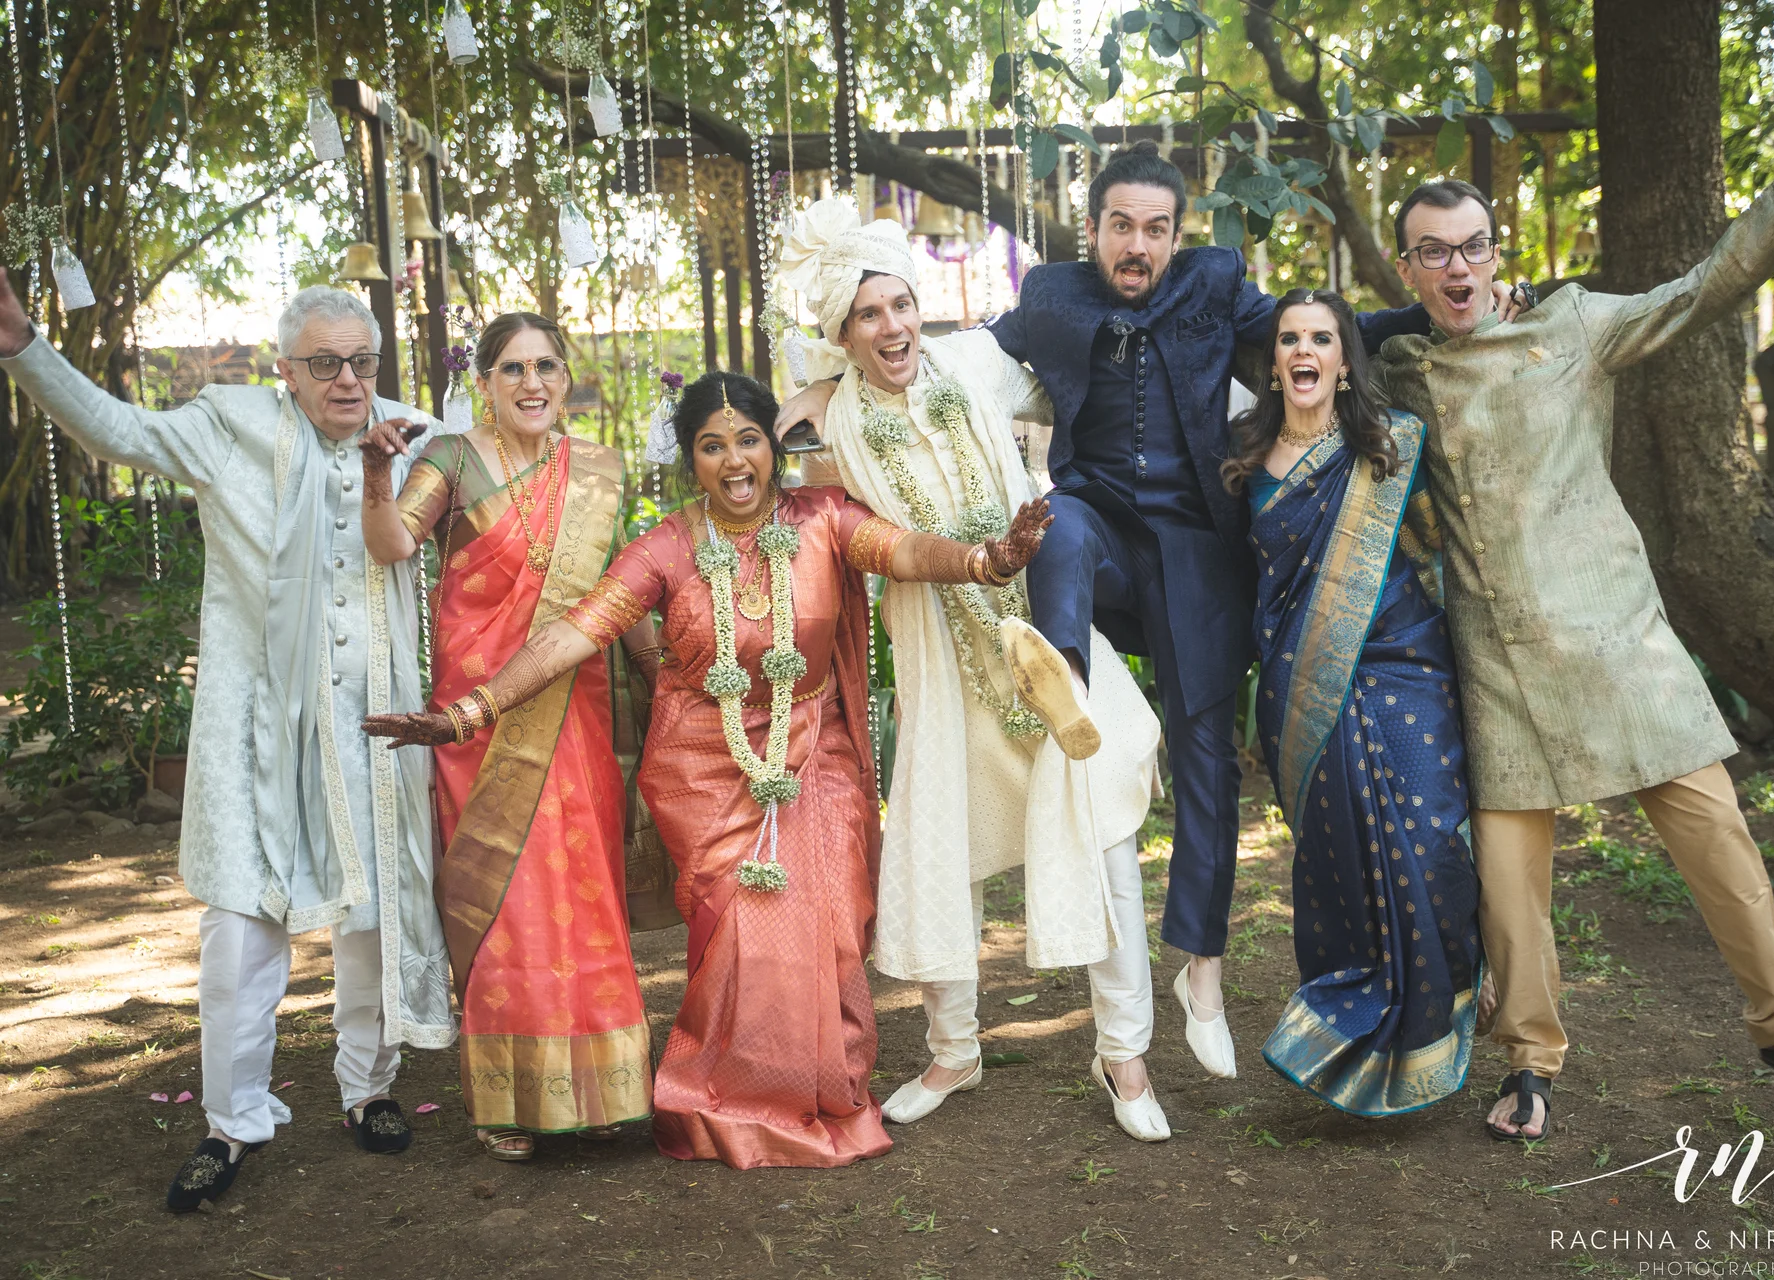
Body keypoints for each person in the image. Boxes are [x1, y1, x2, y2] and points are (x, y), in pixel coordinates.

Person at [1370, 72, 1774, 1141]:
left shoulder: (1577, 330)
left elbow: (1707, 284)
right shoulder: (1402, 368)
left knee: (1721, 841)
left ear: (1496, 251)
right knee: (1510, 889)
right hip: (1501, 657)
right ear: (1408, 266)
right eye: (1434, 250)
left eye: (1473, 246)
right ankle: (1529, 1060)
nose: (1457, 266)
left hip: (1620, 643)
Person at [367, 371, 1055, 1169]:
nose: (734, 462)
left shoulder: (823, 518)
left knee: (827, 925)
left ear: (775, 445)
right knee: (743, 938)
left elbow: (902, 551)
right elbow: (577, 633)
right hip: (703, 765)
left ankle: (821, 1086)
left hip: (814, 752)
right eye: (711, 446)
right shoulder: (666, 545)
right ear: (689, 460)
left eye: (748, 440)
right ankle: (729, 1098)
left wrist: (989, 559)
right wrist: (467, 713)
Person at [951, 142, 1529, 1076]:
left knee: (1208, 754)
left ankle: (1203, 974)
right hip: (1098, 518)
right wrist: (821, 385)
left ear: (1177, 237)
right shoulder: (1050, 296)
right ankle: (1060, 675)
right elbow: (956, 359)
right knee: (1053, 519)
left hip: (1192, 541)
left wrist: (1439, 307)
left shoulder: (1215, 281)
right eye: (1121, 227)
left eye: (1156, 229)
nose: (1138, 245)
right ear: (1091, 227)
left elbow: (1326, 324)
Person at [0, 277, 452, 1209]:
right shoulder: (228, 424)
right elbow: (117, 430)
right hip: (252, 727)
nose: (346, 380)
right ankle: (232, 1121)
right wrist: (23, 347)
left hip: (374, 719)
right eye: (323, 363)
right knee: (240, 928)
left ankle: (369, 1089)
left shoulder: (416, 437)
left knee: (374, 911)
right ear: (285, 369)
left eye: (361, 361)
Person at [772, 198, 1168, 1141]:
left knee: (1102, 817)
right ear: (842, 334)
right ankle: (954, 1050)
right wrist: (808, 397)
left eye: (901, 305)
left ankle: (1126, 1054)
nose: (893, 327)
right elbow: (764, 434)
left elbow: (1082, 382)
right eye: (868, 315)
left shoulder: (976, 363)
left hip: (1047, 631)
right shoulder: (831, 418)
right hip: (942, 658)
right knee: (938, 852)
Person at [358, 312, 655, 1160]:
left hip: (575, 708)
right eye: (514, 369)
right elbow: (389, 546)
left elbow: (617, 584)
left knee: (583, 890)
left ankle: (606, 1089)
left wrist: (669, 670)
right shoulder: (449, 459)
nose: (533, 384)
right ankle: (512, 1098)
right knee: (505, 898)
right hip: (477, 718)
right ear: (483, 383)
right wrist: (377, 474)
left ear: (566, 379)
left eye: (547, 367)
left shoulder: (594, 469)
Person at [1222, 287, 1480, 1115]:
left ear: (1343, 360)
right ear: (1273, 362)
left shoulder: (1391, 448)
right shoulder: (1239, 461)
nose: (1304, 352)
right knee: (1339, 862)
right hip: (1306, 689)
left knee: (1432, 845)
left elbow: (1439, 557)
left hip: (1408, 671)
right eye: (1289, 339)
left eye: (1322, 339)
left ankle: (1439, 1020)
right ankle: (1352, 1026)